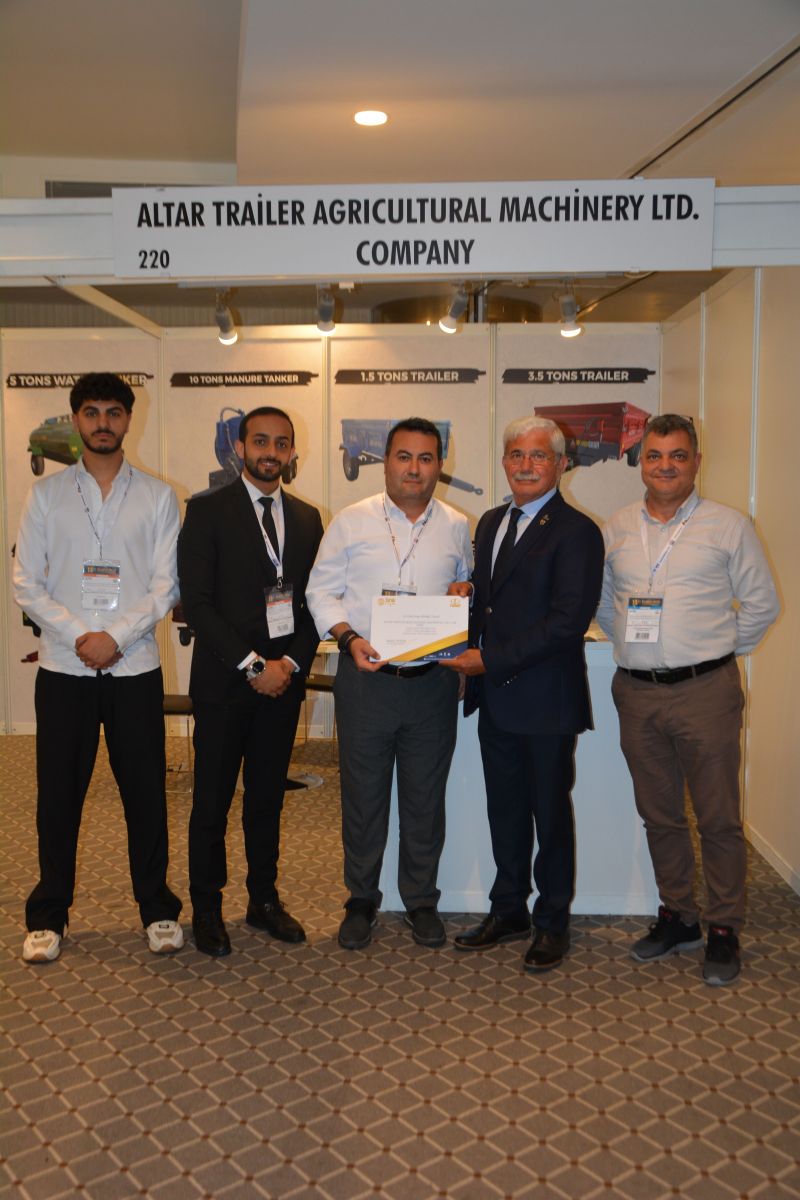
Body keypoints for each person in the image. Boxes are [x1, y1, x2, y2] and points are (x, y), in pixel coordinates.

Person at [596, 412, 779, 986]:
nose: (666, 466)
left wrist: (714, 652)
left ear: (696, 461)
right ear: (641, 462)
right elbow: (604, 603)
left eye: (678, 455)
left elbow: (762, 605)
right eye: (655, 455)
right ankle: (679, 915)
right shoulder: (616, 527)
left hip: (706, 693)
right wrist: (635, 647)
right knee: (660, 816)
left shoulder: (729, 525)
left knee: (718, 818)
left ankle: (723, 927)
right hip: (637, 694)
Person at [13, 372, 184, 963]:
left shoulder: (158, 497)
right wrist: (80, 636)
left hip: (134, 668)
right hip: (64, 669)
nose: (103, 422)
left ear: (128, 419)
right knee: (58, 797)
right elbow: (26, 583)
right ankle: (48, 915)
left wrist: (114, 637)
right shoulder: (46, 496)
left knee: (146, 795)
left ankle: (157, 909)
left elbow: (166, 586)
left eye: (114, 412)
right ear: (76, 420)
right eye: (92, 412)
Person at [443, 415, 604, 972]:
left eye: (539, 456)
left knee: (549, 817)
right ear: (504, 461)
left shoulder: (577, 531)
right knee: (505, 812)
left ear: (560, 464)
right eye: (517, 454)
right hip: (496, 700)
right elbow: (495, 599)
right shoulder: (491, 521)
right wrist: (467, 592)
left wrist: (489, 659)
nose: (526, 465)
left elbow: (567, 621)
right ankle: (508, 909)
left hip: (545, 702)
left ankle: (552, 922)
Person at [306, 417, 473, 950]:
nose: (414, 469)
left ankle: (421, 900)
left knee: (425, 798)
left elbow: (467, 587)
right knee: (363, 797)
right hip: (367, 680)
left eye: (426, 458)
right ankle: (361, 899)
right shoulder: (351, 521)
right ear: (386, 461)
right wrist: (348, 638)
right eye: (404, 456)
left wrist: (465, 592)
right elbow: (319, 592)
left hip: (432, 684)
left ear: (440, 464)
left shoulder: (457, 525)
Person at [177, 406, 323, 957]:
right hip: (224, 684)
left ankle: (263, 900)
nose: (271, 452)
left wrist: (290, 666)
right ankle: (206, 908)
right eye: (260, 441)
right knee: (211, 803)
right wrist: (255, 666)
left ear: (292, 451)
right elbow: (198, 604)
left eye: (281, 443)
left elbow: (314, 601)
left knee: (266, 800)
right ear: (239, 449)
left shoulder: (307, 518)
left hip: (282, 686)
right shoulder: (206, 510)